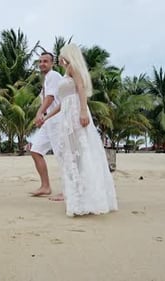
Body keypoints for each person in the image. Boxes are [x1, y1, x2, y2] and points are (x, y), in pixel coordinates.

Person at [42, 43, 118, 216]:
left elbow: (81, 89)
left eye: (61, 55)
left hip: (76, 112)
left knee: (81, 152)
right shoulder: (65, 72)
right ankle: (79, 195)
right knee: (73, 153)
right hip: (67, 113)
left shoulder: (72, 68)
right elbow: (62, 103)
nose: (60, 58)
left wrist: (83, 111)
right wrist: (46, 116)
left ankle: (86, 197)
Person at [28, 52, 63, 197]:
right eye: (40, 61)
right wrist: (43, 117)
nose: (42, 63)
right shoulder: (47, 78)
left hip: (59, 120)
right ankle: (45, 186)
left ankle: (68, 191)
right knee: (36, 151)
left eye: (46, 61)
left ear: (52, 63)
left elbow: (50, 97)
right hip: (49, 121)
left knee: (63, 156)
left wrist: (39, 113)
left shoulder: (53, 75)